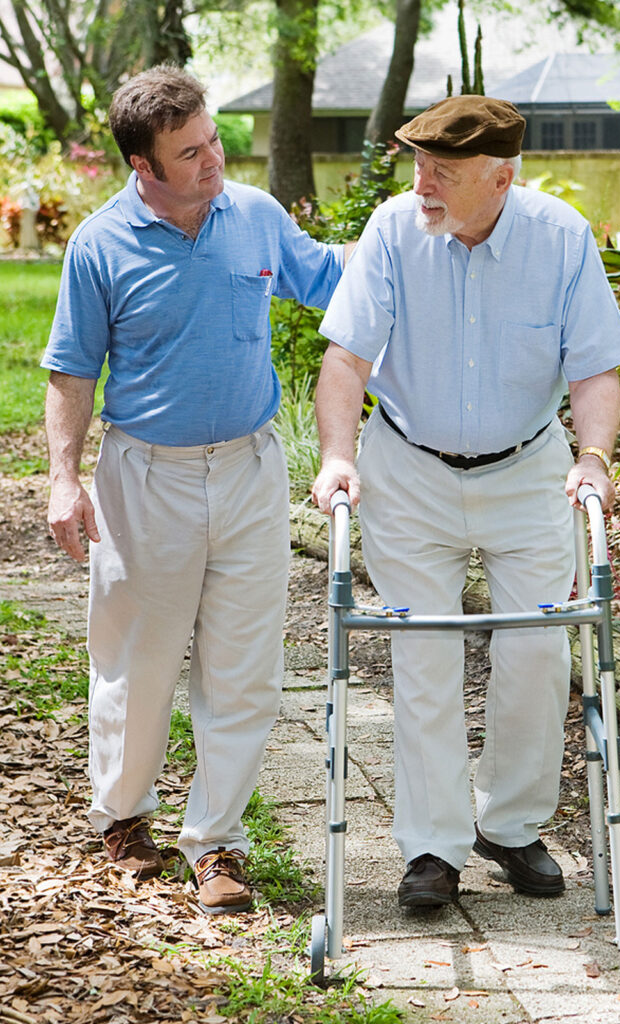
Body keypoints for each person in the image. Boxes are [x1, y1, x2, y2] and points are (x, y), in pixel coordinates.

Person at [312, 95, 620, 908]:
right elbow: (346, 359)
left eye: (442, 173)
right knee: (424, 657)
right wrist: (336, 456)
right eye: (417, 165)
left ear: (501, 177)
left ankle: (511, 825)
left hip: (528, 468)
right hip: (410, 469)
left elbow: (594, 368)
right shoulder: (392, 231)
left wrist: (593, 460)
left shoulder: (558, 237)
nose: (421, 184)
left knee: (538, 652)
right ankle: (432, 848)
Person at [42, 64, 350, 915]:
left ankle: (217, 843)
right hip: (147, 478)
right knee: (140, 665)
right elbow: (71, 371)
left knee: (244, 669)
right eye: (190, 152)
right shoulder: (100, 246)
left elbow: (332, 279)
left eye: (213, 139)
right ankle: (124, 819)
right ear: (144, 166)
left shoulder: (253, 215)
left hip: (251, 470)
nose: (213, 159)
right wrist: (65, 481)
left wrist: (413, 232)